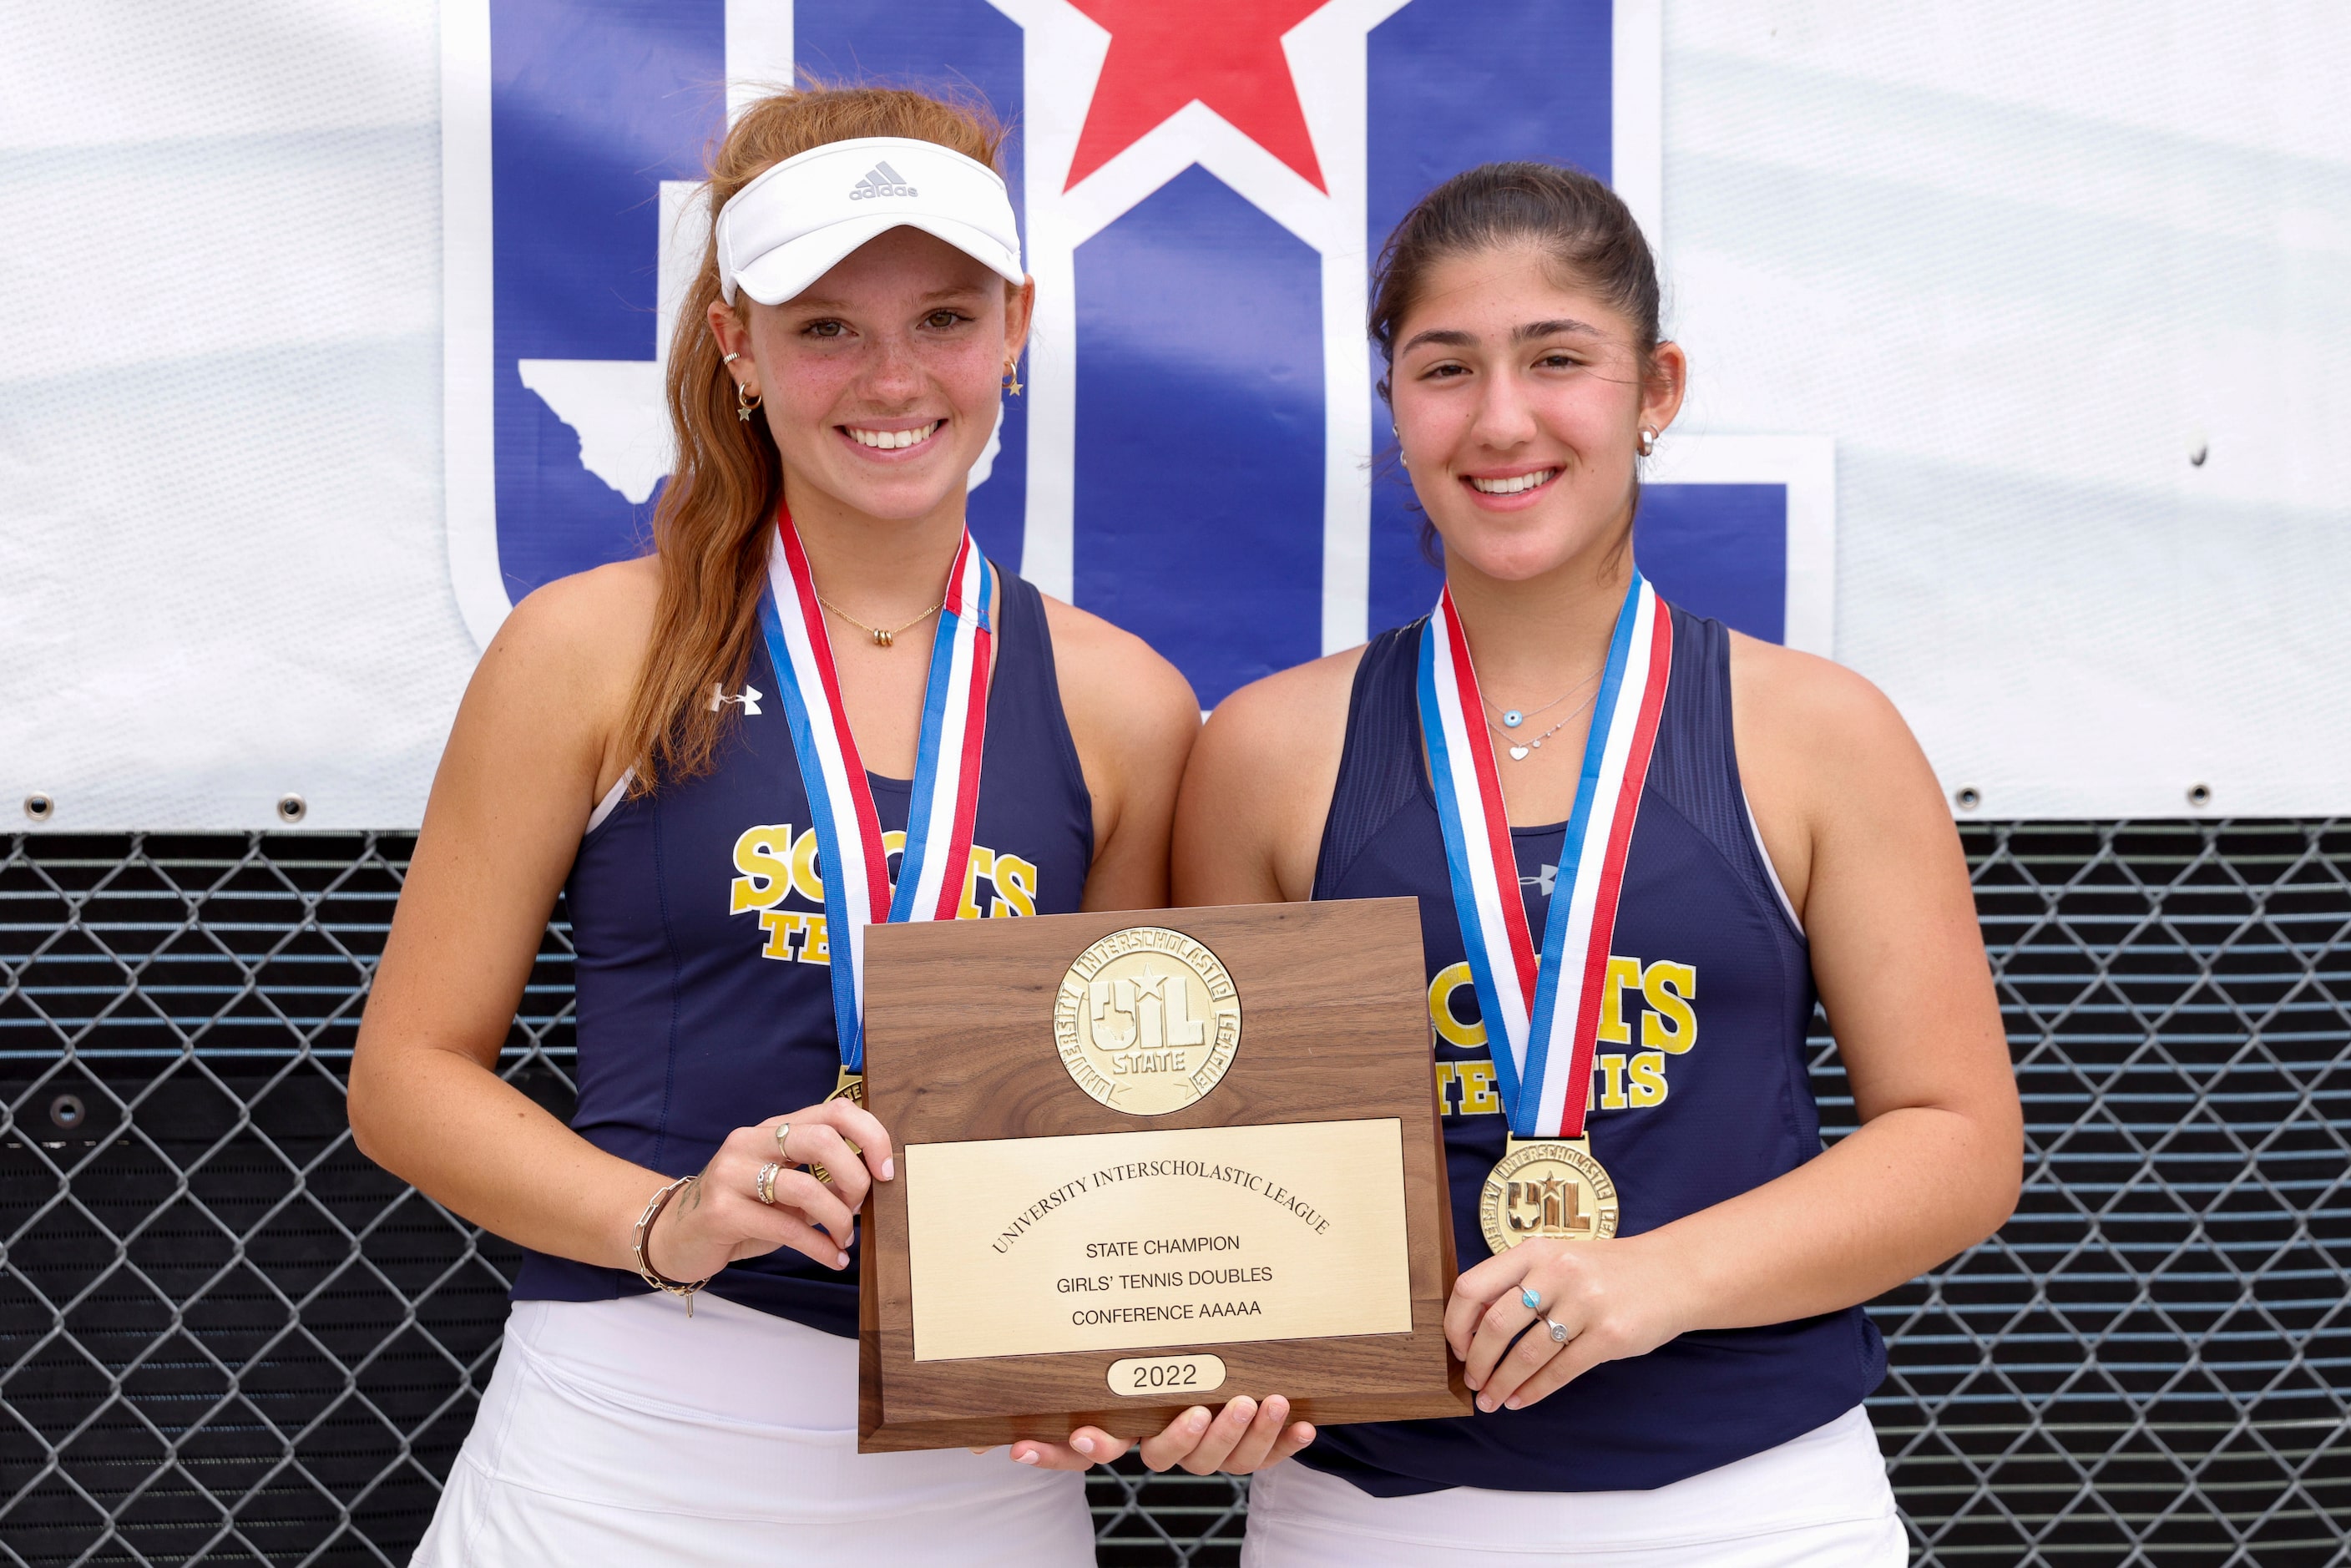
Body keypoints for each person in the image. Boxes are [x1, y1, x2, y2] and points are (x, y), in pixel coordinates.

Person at [348, 84, 1250, 1565]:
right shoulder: (591, 650)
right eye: (826, 324)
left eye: (945, 319)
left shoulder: (1127, 704)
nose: (891, 376)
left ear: (1016, 330)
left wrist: (1161, 1363)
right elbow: (404, 1076)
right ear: (736, 349)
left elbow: (1127, 1133)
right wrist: (667, 1217)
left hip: (975, 1478)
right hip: (623, 1453)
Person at [1170, 162, 2023, 1565]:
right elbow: (1206, 1160)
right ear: (1394, 403)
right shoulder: (1269, 747)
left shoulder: (1817, 732)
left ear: (1656, 388)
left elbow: (1959, 1140)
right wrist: (1199, 1362)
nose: (1503, 419)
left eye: (1557, 358)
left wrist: (1657, 1281)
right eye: (1446, 368)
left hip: (1757, 1503)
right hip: (1370, 1516)